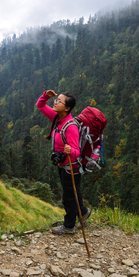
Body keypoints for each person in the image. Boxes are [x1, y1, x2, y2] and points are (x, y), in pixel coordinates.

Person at [36, 90, 91, 234]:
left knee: (68, 197)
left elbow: (77, 152)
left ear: (67, 108)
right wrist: (46, 96)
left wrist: (70, 151)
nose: (55, 102)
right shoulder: (57, 118)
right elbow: (40, 106)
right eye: (56, 100)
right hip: (63, 165)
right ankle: (83, 212)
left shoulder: (70, 127)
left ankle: (69, 226)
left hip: (71, 168)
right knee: (74, 192)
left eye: (59, 101)